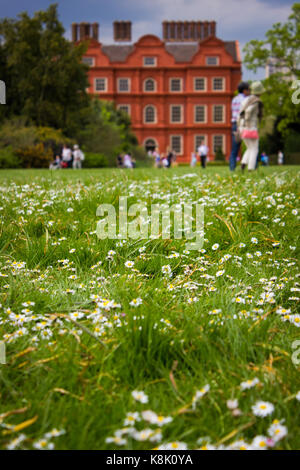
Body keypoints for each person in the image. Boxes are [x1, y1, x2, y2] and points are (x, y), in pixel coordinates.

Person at [238, 81, 265, 172]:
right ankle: (251, 168)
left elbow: (240, 112)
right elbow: (249, 112)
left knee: (249, 147)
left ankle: (243, 163)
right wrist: (248, 122)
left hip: (242, 126)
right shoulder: (256, 101)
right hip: (250, 127)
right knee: (255, 148)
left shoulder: (246, 100)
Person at [229, 82, 250, 171]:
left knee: (234, 149)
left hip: (235, 125)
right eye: (248, 90)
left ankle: (232, 168)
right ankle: (252, 167)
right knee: (251, 147)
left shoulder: (234, 100)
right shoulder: (247, 99)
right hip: (244, 124)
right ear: (244, 90)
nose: (249, 92)